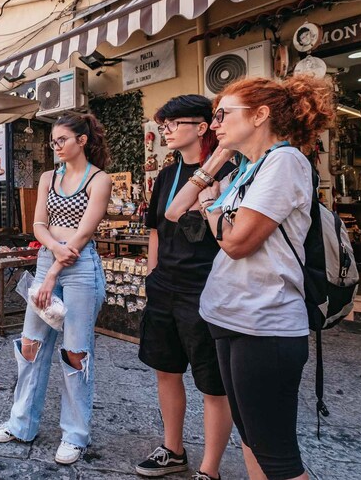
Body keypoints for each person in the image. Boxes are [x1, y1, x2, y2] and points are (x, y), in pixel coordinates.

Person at [166, 76, 335, 480]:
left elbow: (237, 241)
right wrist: (215, 161)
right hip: (230, 315)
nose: (216, 122)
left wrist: (211, 207)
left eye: (224, 114)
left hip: (266, 323)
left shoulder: (285, 161)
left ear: (260, 115)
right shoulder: (246, 169)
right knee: (252, 439)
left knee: (277, 455)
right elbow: (176, 211)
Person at [0, 113, 112, 465]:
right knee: (30, 345)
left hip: (79, 268)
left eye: (61, 140)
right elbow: (38, 224)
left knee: (76, 351)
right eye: (53, 141)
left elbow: (84, 234)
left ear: (81, 141)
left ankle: (75, 435)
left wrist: (54, 270)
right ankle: (21, 423)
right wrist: (53, 253)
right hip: (48, 260)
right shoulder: (48, 177)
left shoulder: (98, 180)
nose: (55, 146)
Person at [135, 96, 233, 480]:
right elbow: (157, 228)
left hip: (207, 287)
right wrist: (153, 276)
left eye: (173, 124)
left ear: (202, 127)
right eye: (164, 126)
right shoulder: (167, 174)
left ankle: (210, 470)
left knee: (213, 384)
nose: (167, 132)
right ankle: (173, 449)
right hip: (166, 286)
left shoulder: (228, 171)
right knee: (166, 369)